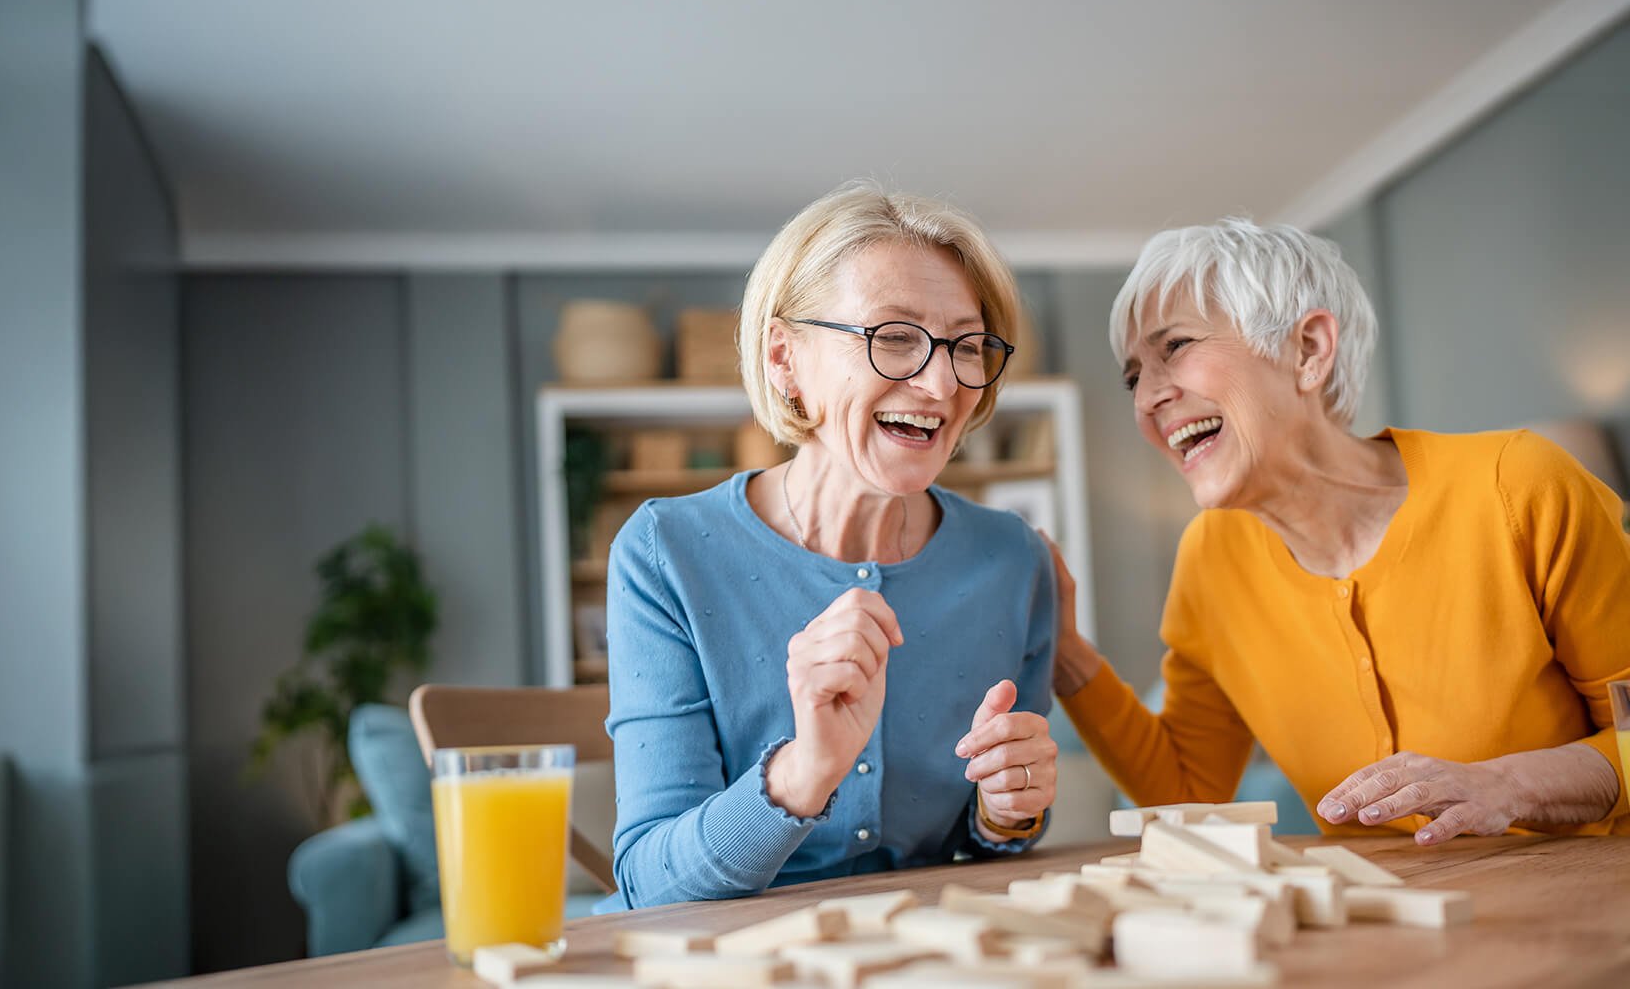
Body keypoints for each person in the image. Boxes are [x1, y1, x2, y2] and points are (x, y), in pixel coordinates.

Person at [1050, 217, 1629, 845]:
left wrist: (1509, 787)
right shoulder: (1210, 558)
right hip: (1375, 932)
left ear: (1308, 351)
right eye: (1134, 377)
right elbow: (1190, 791)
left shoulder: (1518, 485)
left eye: (1176, 346)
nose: (1148, 398)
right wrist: (1065, 650)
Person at [598, 183, 1061, 911]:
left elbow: (989, 839)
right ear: (785, 358)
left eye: (967, 346)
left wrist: (1009, 811)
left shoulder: (1014, 560)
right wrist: (805, 770)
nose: (942, 382)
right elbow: (650, 885)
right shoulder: (666, 553)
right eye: (895, 337)